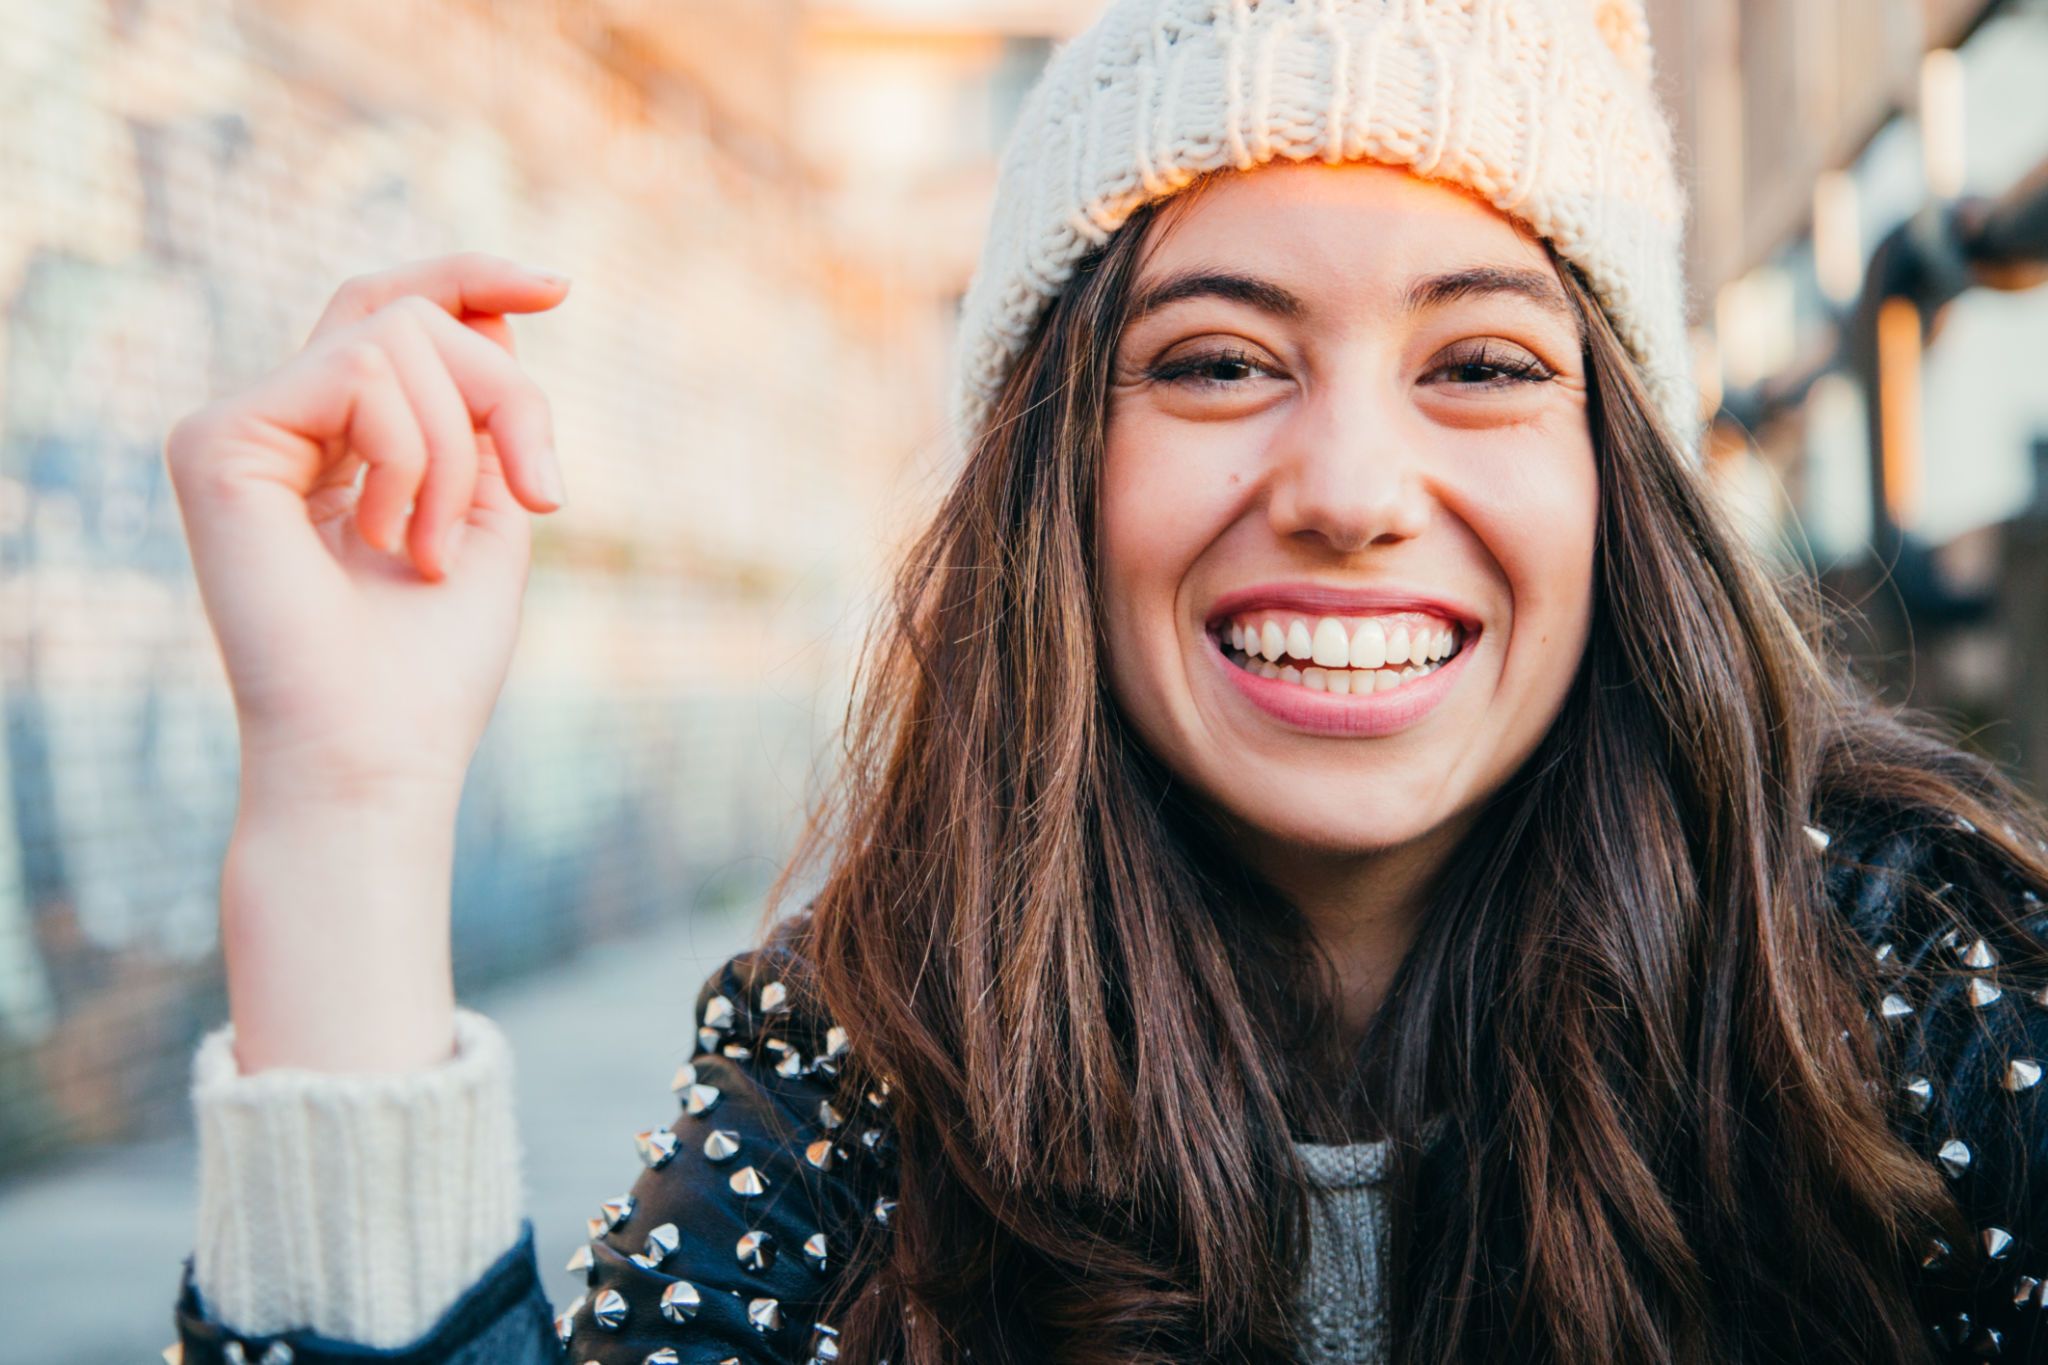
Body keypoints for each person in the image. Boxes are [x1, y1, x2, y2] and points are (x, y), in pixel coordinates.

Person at [158, 0, 2048, 1361]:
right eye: (1221, 361)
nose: (1352, 494)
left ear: (1619, 481)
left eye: (1481, 362)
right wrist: (349, 805)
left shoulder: (1918, 999)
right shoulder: (859, 1070)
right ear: (1055, 477)